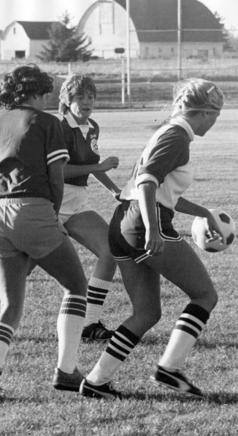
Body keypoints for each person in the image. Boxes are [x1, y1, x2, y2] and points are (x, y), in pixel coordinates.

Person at [79, 78, 224, 399]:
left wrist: (204, 212)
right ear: (202, 112)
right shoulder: (176, 137)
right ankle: (168, 369)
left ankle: (95, 381)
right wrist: (154, 230)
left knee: (147, 312)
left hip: (125, 223)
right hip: (143, 224)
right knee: (204, 296)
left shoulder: (170, 132)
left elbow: (159, 190)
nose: (215, 121)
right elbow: (146, 184)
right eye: (215, 115)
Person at [0, 74, 121, 343]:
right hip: (50, 201)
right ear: (66, 100)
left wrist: (114, 190)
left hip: (77, 204)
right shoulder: (58, 126)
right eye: (79, 97)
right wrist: (97, 167)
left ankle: (90, 322)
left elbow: (94, 164)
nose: (86, 102)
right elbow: (60, 171)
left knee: (110, 250)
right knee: (20, 271)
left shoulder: (93, 127)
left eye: (90, 96)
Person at [0, 65, 88, 402]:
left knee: (10, 305)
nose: (48, 97)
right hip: (31, 207)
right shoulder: (46, 122)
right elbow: (56, 178)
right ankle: (66, 371)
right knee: (77, 287)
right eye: (45, 91)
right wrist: (50, 214)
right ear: (36, 92)